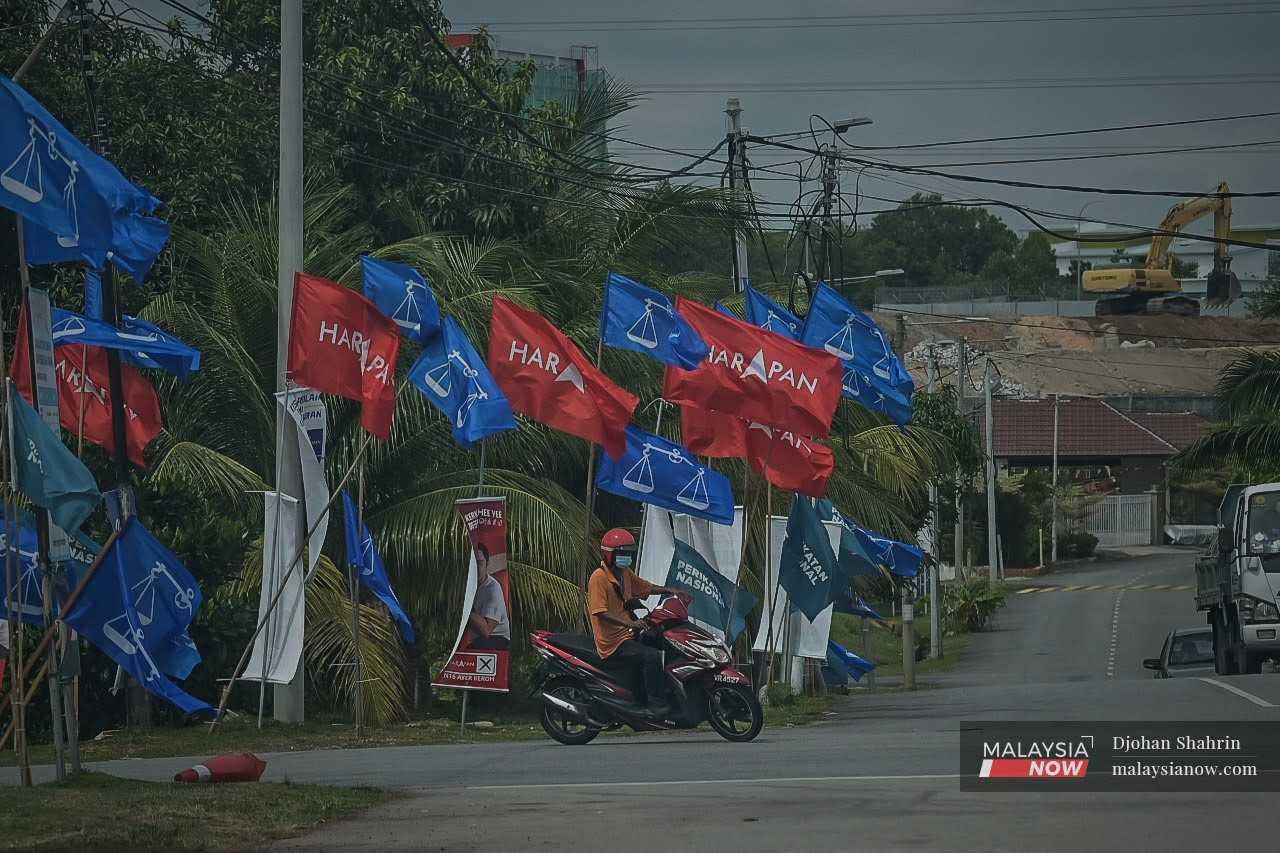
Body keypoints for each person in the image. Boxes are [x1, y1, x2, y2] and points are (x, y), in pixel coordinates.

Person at [586, 528, 677, 716]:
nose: (626, 557)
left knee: (664, 642)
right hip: (613, 643)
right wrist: (631, 624)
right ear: (610, 554)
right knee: (651, 656)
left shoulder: (625, 573)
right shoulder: (599, 578)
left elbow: (645, 587)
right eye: (622, 553)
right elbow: (600, 612)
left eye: (628, 553)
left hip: (629, 634)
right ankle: (655, 704)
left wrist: (669, 590)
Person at [466, 543, 511, 650]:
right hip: (479, 639)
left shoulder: (492, 588)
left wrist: (463, 608)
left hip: (498, 639)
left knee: (480, 644)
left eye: (480, 563)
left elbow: (486, 630)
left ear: (487, 564)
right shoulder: (468, 585)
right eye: (473, 563)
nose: (476, 568)